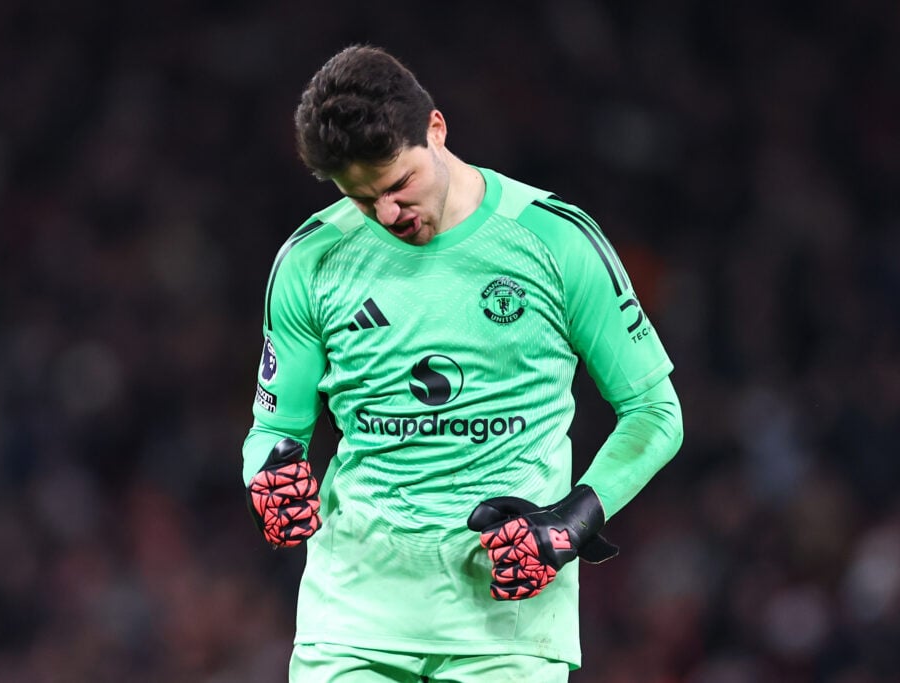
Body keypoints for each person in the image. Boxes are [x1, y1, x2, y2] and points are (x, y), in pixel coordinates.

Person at [243, 45, 684, 683]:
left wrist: (575, 518)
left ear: (437, 130)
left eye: (398, 185)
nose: (390, 215)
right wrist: (266, 479)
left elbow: (655, 413)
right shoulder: (310, 261)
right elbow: (274, 433)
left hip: (507, 627)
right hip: (352, 623)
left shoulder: (556, 241)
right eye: (365, 201)